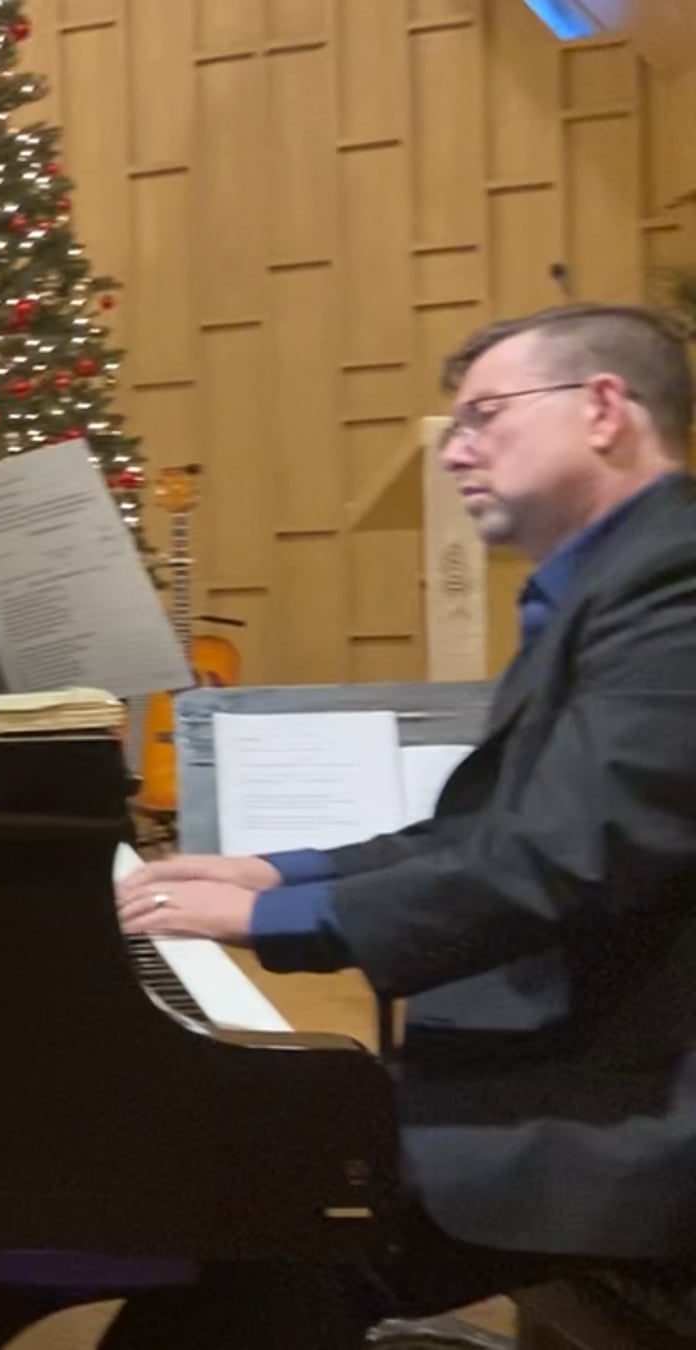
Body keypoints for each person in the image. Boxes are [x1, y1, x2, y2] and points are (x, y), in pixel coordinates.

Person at [109, 302, 696, 1347]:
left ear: (604, 408)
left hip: (642, 1097)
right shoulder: (618, 581)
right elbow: (486, 833)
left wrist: (278, 921)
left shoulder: (674, 583)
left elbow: (562, 857)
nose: (456, 450)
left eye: (484, 416)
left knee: (289, 1209)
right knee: (267, 1186)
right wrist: (271, 874)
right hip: (598, 1055)